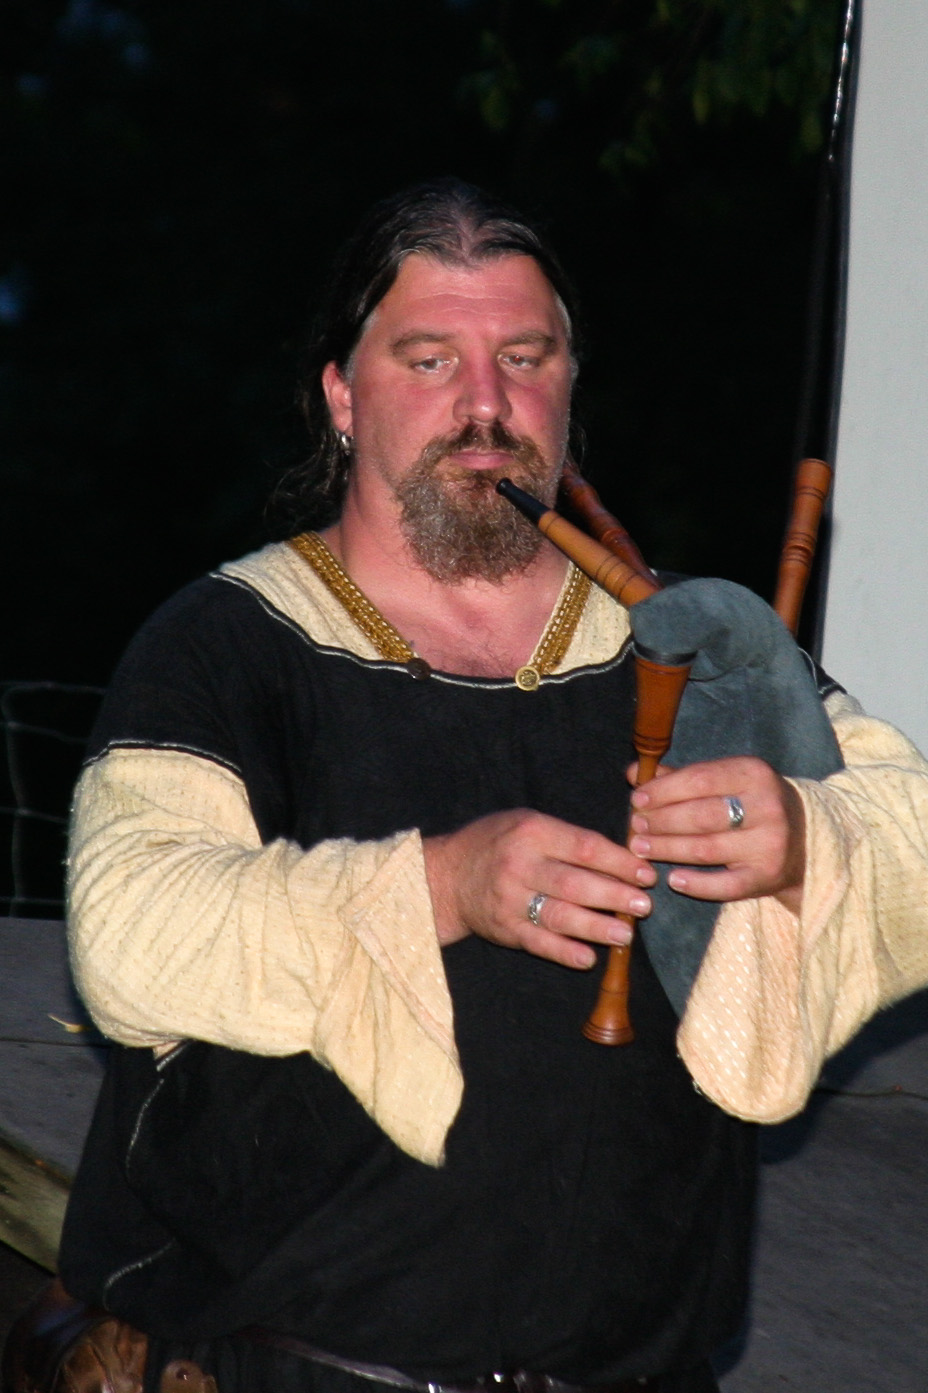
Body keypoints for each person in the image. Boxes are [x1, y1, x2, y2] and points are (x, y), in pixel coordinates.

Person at [55, 180, 928, 1393]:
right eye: (430, 361)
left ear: (568, 388)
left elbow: (912, 837)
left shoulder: (697, 645)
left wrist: (806, 836)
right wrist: (442, 885)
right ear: (342, 398)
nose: (484, 403)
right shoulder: (227, 643)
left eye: (525, 358)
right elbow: (130, 928)